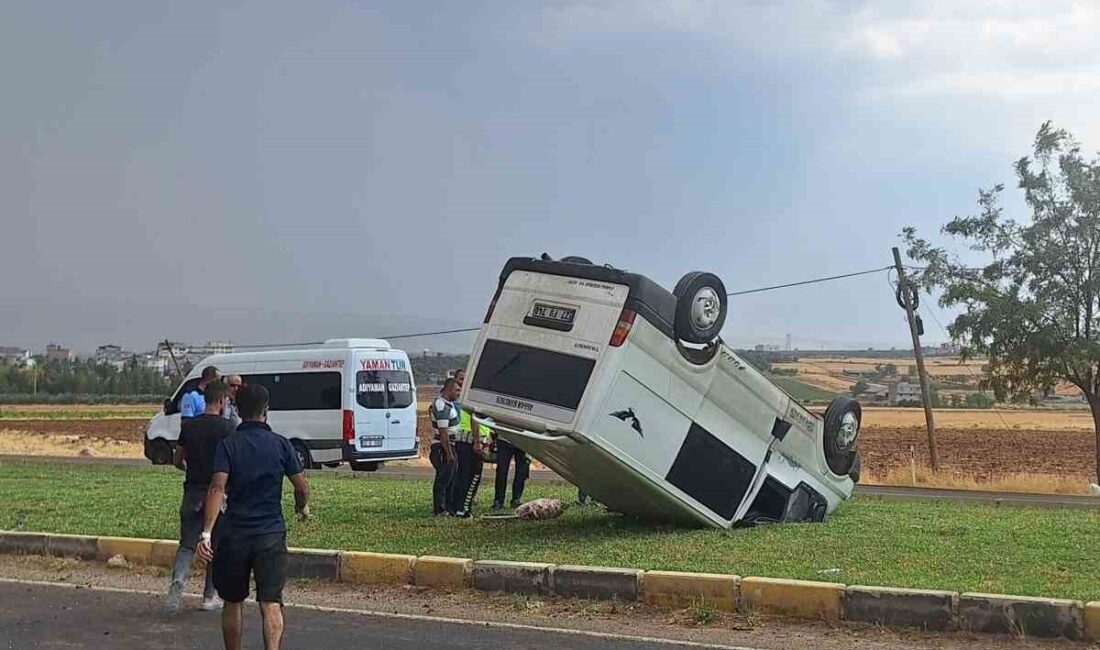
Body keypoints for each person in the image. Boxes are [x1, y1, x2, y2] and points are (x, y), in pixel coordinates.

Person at [197, 384, 309, 650]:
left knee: (232, 601)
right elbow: (301, 487)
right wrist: (300, 506)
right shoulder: (281, 444)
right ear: (266, 410)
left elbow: (217, 488)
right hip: (270, 534)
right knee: (270, 602)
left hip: (235, 534)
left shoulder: (229, 445)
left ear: (237, 408)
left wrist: (206, 533)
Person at [163, 380, 235, 616]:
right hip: (218, 494)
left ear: (204, 399)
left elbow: (177, 460)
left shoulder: (189, 427)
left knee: (186, 545)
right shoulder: (227, 428)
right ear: (222, 400)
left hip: (192, 491)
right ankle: (208, 597)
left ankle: (178, 583)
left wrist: (189, 469)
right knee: (215, 545)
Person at [428, 378, 460, 516]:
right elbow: (443, 432)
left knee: (451, 479)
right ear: (449, 389)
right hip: (443, 447)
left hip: (451, 445)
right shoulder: (441, 406)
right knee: (443, 479)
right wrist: (448, 453)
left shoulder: (449, 404)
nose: (459, 393)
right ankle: (440, 509)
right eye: (457, 390)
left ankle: (449, 507)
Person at [492, 435, 530, 510]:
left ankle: (516, 499)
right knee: (501, 471)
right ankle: (498, 500)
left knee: (521, 472)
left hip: (523, 439)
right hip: (504, 438)